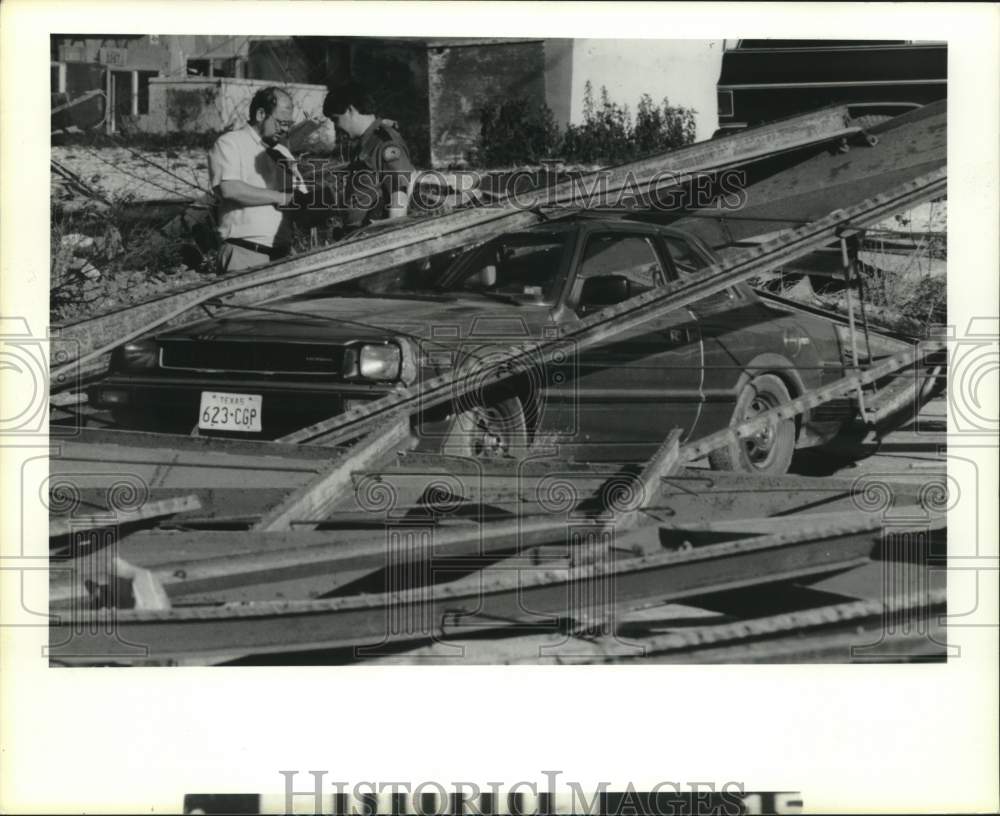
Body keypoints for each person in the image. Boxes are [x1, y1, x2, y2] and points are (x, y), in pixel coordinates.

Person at [208, 86, 297, 273]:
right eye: (280, 122)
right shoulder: (230, 143)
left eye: (289, 124)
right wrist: (281, 197)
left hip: (282, 257)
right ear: (260, 114)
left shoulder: (284, 153)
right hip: (245, 255)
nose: (285, 130)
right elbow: (230, 189)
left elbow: (297, 199)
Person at [322, 82, 415, 234]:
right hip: (359, 235)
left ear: (350, 109)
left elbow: (399, 195)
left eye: (335, 119)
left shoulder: (384, 143)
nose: (336, 127)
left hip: (374, 238)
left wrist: (390, 242)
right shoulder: (366, 144)